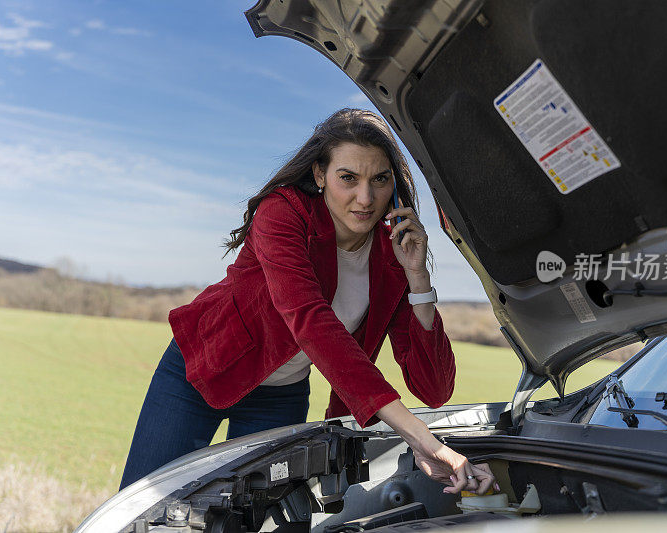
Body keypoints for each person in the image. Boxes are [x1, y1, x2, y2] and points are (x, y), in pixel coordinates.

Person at [120, 108, 498, 495]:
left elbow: (434, 388)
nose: (365, 199)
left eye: (380, 179)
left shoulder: (392, 255)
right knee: (144, 504)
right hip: (201, 370)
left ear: (395, 187)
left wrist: (418, 277)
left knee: (257, 519)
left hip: (280, 399)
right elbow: (310, 321)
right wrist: (424, 440)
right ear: (320, 174)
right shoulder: (283, 212)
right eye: (348, 178)